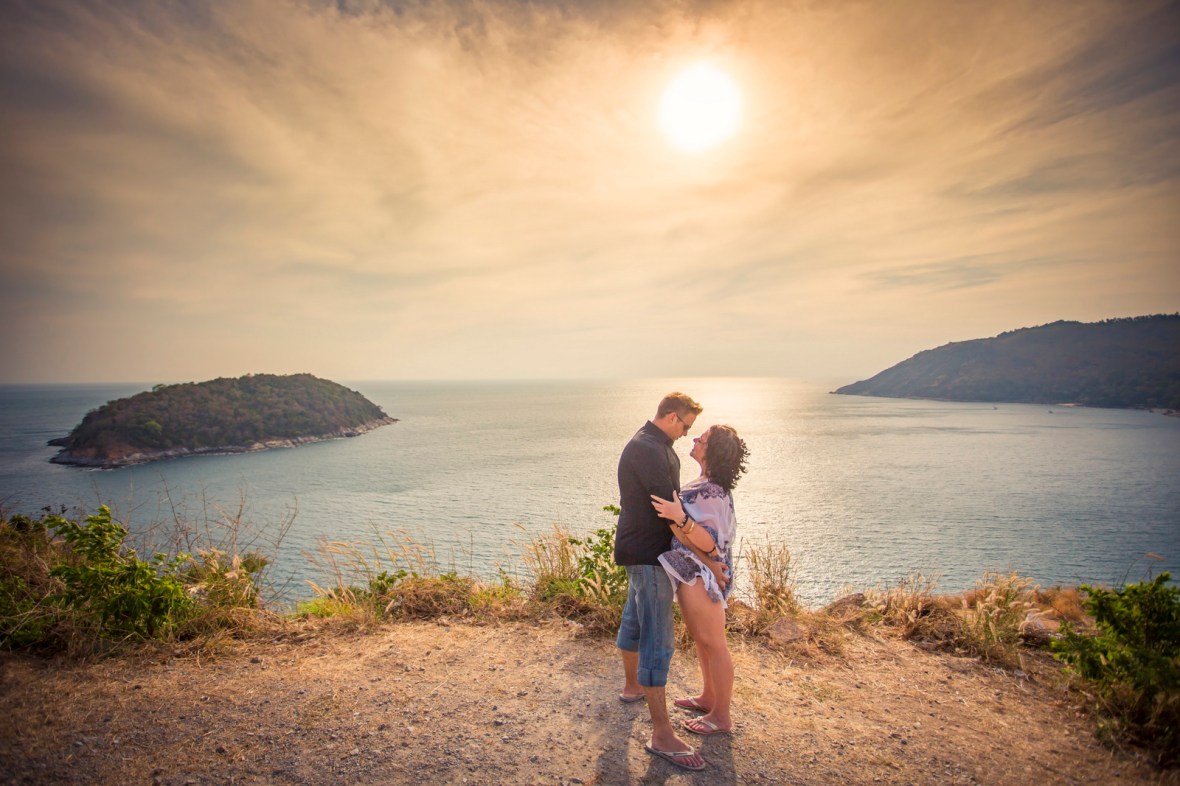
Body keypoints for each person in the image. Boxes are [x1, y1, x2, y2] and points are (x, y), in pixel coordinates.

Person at [614, 392, 707, 772]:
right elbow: (666, 507)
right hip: (649, 555)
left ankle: (633, 687)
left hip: (637, 550)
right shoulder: (649, 449)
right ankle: (662, 733)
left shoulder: (651, 443)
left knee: (634, 620)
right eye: (686, 426)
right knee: (658, 639)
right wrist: (698, 547)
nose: (687, 434)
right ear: (671, 417)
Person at [650, 424, 749, 739]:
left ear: (713, 451)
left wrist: (679, 518)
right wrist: (677, 520)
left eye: (702, 439)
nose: (695, 439)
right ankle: (709, 698)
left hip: (698, 576)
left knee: (714, 644)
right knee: (703, 641)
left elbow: (709, 541)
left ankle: (721, 715)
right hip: (694, 571)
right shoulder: (709, 484)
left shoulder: (711, 490)